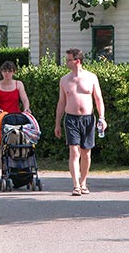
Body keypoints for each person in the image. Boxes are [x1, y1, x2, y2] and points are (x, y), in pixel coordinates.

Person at [55, 48, 107, 196]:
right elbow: (61, 102)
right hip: (71, 119)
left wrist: (102, 118)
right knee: (74, 151)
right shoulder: (64, 80)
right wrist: (57, 123)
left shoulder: (91, 78)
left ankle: (83, 182)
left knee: (86, 154)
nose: (66, 62)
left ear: (77, 61)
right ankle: (76, 185)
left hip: (88, 119)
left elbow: (98, 99)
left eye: (69, 60)